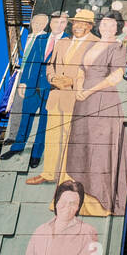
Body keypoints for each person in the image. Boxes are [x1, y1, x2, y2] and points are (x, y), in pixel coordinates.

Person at [64, 13, 127, 216]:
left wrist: (90, 90)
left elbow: (116, 76)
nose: (106, 27)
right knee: (83, 141)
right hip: (83, 99)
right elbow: (81, 70)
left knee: (100, 144)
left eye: (111, 24)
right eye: (104, 23)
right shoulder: (91, 44)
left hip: (103, 98)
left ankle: (104, 193)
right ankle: (84, 187)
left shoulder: (117, 47)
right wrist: (78, 88)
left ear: (117, 28)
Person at [28, 10, 97, 188]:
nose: (78, 26)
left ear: (89, 26)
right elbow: (50, 65)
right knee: (52, 136)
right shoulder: (63, 42)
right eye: (75, 23)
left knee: (71, 138)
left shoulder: (95, 44)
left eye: (82, 23)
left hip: (76, 99)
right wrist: (52, 79)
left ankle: (66, 176)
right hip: (56, 95)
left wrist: (72, 82)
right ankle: (48, 173)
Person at [1, 14, 51, 166]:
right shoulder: (35, 39)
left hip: (50, 85)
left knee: (44, 118)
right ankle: (18, 146)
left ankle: (36, 154)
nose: (38, 24)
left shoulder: (56, 39)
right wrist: (23, 82)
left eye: (42, 22)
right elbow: (29, 62)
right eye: (36, 21)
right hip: (31, 82)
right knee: (26, 115)